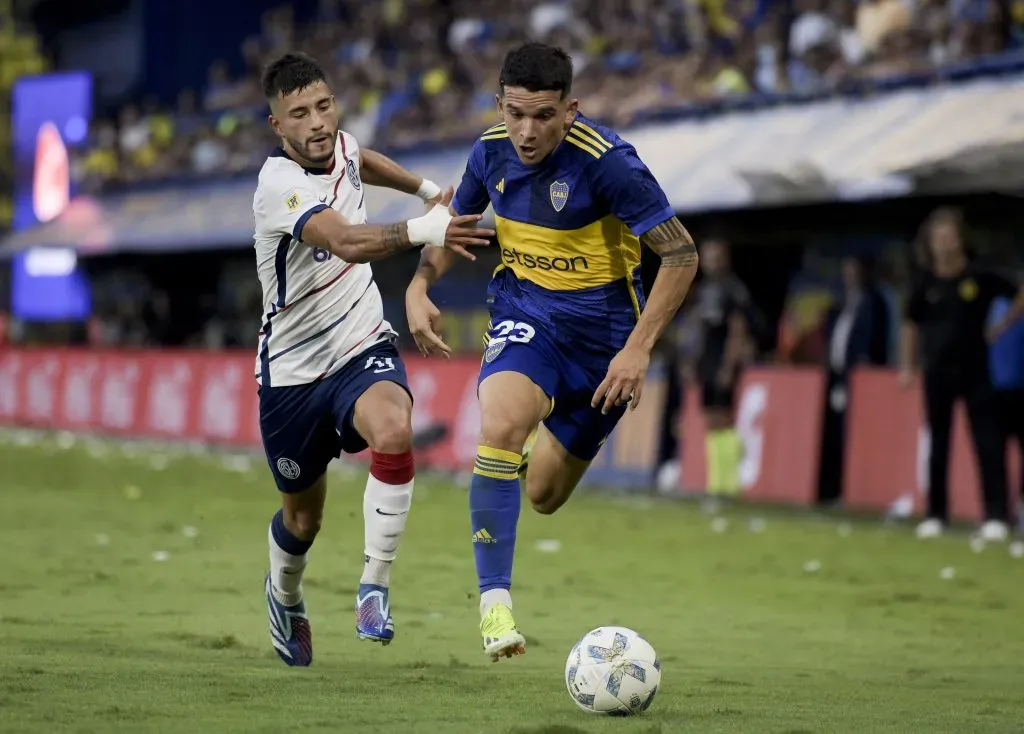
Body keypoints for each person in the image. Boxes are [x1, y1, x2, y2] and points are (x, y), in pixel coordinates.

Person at [404, 42, 699, 662]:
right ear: (500, 106)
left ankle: (527, 459)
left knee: (543, 494)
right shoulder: (489, 152)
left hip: (605, 343)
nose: (526, 131)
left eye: (543, 116)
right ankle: (494, 607)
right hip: (526, 313)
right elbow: (451, 223)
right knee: (502, 421)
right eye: (515, 114)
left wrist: (639, 349)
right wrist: (419, 283)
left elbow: (680, 254)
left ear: (572, 110)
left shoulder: (610, 163)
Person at [253, 53, 493, 667]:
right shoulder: (278, 185)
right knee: (303, 522)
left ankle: (373, 589)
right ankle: (285, 595)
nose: (317, 123)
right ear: (276, 124)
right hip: (293, 375)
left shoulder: (341, 145)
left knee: (394, 430)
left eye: (324, 106)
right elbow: (347, 241)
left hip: (361, 345)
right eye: (299, 113)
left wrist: (426, 189)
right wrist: (427, 227)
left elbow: (362, 159)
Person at [900, 207, 1024, 541]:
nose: (943, 243)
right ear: (929, 242)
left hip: (977, 372)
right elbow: (910, 324)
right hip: (937, 371)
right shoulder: (924, 282)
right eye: (937, 237)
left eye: (949, 235)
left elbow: (1019, 296)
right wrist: (908, 366)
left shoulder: (981, 278)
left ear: (960, 239)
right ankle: (936, 514)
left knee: (988, 442)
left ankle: (996, 515)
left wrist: (1000, 326)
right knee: (938, 443)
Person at [818, 255, 892, 504]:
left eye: (854, 271)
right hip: (839, 376)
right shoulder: (842, 304)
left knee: (854, 433)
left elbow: (877, 338)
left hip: (861, 379)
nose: (849, 277)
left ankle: (856, 489)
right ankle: (834, 488)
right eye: (846, 271)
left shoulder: (874, 302)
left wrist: (867, 364)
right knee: (836, 431)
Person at [690, 239, 757, 498]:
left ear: (725, 258)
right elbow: (698, 329)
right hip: (707, 360)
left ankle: (730, 483)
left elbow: (738, 329)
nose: (711, 262)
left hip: (722, 361)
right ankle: (717, 482)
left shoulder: (733, 289)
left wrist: (729, 365)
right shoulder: (705, 289)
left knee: (724, 419)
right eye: (707, 256)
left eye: (716, 256)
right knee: (710, 420)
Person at [987, 284, 1024, 524]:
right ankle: (997, 513)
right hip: (996, 387)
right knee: (993, 454)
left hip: (1022, 387)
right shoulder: (996, 304)